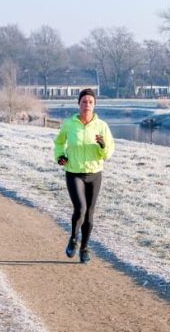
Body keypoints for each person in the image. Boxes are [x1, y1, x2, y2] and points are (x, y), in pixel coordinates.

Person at [53, 88, 115, 264]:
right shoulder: (69, 124)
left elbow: (108, 153)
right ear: (78, 104)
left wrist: (102, 145)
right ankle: (73, 239)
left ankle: (84, 249)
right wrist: (60, 156)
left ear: (95, 105)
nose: (87, 104)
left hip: (94, 174)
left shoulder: (102, 126)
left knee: (89, 213)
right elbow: (59, 142)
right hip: (74, 172)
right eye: (84, 101)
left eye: (90, 102)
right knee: (80, 208)